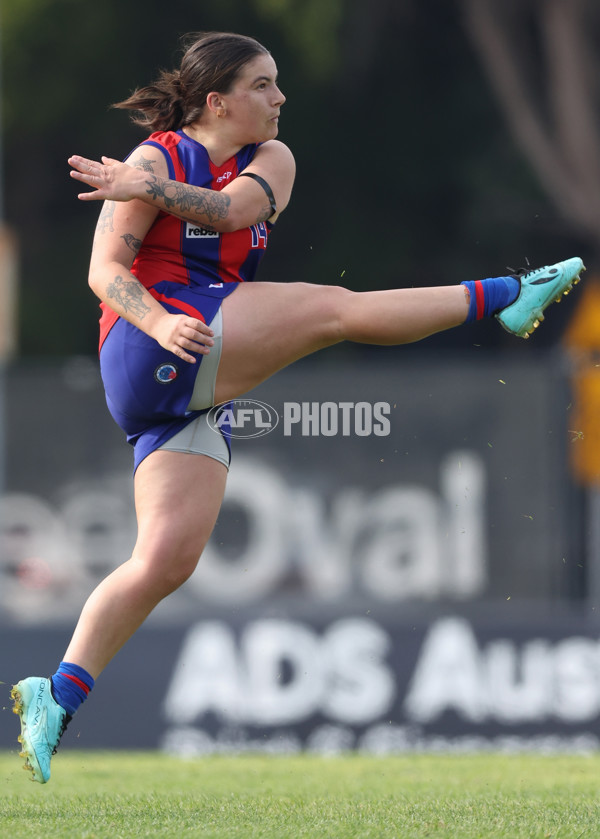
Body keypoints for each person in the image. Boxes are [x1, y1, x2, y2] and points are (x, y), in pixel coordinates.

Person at [11, 30, 584, 784]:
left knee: (164, 560)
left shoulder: (269, 160)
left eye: (278, 82)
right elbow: (102, 271)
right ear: (217, 100)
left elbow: (223, 212)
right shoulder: (156, 156)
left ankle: (54, 694)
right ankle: (506, 297)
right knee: (333, 309)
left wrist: (143, 190)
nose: (280, 98)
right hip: (149, 343)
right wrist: (156, 319)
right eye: (263, 85)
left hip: (182, 376)